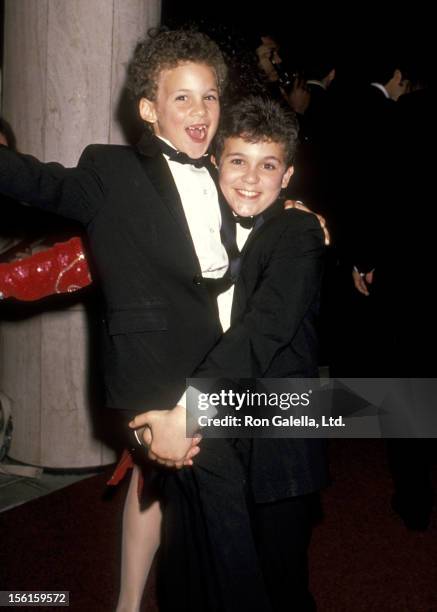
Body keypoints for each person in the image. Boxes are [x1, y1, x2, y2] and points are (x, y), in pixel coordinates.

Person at [0, 29, 328, 612]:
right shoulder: (111, 173)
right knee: (223, 555)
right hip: (162, 388)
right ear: (149, 109)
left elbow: (257, 240)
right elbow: (34, 180)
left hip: (225, 389)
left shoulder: (230, 186)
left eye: (209, 97)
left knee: (211, 553)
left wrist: (295, 212)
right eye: (182, 97)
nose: (200, 110)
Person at [130, 95, 329, 611]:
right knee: (193, 573)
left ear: (287, 177)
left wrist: (187, 408)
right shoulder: (201, 226)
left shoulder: (297, 230)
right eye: (238, 161)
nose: (250, 178)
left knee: (275, 581)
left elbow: (265, 329)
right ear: (217, 163)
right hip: (212, 436)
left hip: (275, 437)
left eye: (268, 166)